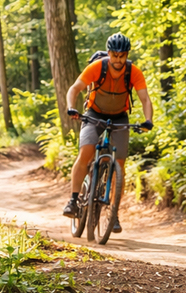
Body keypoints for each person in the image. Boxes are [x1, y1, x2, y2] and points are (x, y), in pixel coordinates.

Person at [62, 33, 154, 234]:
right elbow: (75, 88)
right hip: (94, 115)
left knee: (119, 164)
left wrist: (148, 121)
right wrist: (71, 107)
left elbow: (145, 99)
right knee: (86, 152)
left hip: (120, 118)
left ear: (126, 55)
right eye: (115, 55)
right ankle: (74, 200)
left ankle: (114, 214)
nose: (118, 60)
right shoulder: (97, 67)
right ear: (109, 54)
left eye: (122, 56)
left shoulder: (133, 72)